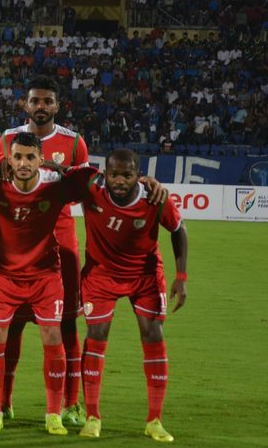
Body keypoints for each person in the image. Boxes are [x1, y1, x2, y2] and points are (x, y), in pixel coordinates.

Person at [0, 132, 99, 435]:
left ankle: (53, 414)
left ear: (41, 160)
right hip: (4, 275)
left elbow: (94, 177)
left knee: (53, 336)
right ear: (8, 158)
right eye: (17, 157)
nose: (23, 163)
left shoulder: (55, 184)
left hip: (45, 275)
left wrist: (63, 169)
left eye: (30, 157)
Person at [0, 75, 89, 424]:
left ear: (57, 106)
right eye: (35, 100)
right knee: (13, 324)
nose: (41, 106)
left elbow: (82, 189)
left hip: (62, 242)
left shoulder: (74, 142)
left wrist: (55, 169)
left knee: (67, 325)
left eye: (47, 101)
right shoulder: (8, 139)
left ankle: (71, 404)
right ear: (26, 103)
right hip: (18, 241)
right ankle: (4, 402)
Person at [77, 149, 187, 442]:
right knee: (96, 335)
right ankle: (92, 417)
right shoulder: (91, 187)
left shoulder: (154, 198)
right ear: (105, 174)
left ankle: (154, 420)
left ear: (139, 176)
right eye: (114, 174)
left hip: (144, 276)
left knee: (153, 336)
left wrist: (181, 277)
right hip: (101, 275)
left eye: (127, 175)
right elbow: (57, 171)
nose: (120, 180)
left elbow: (178, 230)